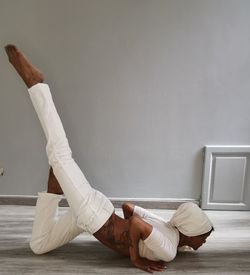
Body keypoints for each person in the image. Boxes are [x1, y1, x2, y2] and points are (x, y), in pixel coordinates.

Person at [5, 44, 214, 273]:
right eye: (202, 237)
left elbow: (128, 208)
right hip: (93, 214)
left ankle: (55, 189)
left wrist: (127, 234)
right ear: (190, 231)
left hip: (90, 217)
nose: (203, 242)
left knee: (39, 245)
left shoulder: (168, 229)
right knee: (59, 153)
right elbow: (135, 223)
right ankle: (37, 85)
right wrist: (135, 256)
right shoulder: (169, 249)